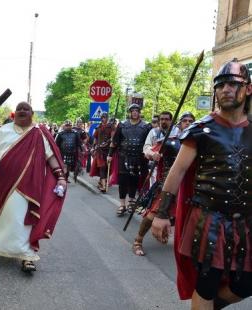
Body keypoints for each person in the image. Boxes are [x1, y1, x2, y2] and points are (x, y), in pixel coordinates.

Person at [151, 59, 252, 309]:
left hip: (246, 223)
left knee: (246, 282)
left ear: (248, 89)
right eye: (220, 85)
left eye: (232, 84)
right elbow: (177, 171)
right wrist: (161, 214)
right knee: (206, 282)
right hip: (209, 220)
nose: (225, 90)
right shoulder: (202, 129)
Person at [0, 102, 67, 272]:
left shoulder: (39, 133)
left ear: (32, 113)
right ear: (15, 113)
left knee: (25, 217)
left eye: (26, 109)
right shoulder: (4, 130)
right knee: (9, 217)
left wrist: (60, 177)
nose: (22, 111)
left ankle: (27, 255)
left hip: (30, 184)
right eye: (19, 108)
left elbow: (50, 157)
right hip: (4, 182)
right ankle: (1, 245)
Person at [132, 111, 180, 256]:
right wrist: (153, 155)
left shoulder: (190, 140)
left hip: (185, 186)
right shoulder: (166, 139)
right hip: (166, 183)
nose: (188, 124)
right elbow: (148, 150)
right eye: (185, 121)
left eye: (190, 121)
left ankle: (170, 237)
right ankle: (138, 241)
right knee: (154, 214)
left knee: (183, 216)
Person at [108, 104, 150, 216]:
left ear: (139, 112)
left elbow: (149, 143)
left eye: (137, 111)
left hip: (138, 158)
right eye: (133, 111)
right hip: (124, 157)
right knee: (122, 181)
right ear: (130, 113)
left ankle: (131, 202)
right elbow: (115, 141)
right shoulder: (122, 125)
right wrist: (110, 154)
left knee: (134, 180)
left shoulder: (146, 126)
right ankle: (122, 204)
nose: (135, 113)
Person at [89, 113, 113, 193]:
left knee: (106, 167)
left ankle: (102, 181)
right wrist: (93, 147)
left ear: (107, 118)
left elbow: (113, 138)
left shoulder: (111, 127)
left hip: (109, 150)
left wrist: (108, 141)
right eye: (102, 118)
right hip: (100, 151)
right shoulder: (98, 128)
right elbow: (95, 138)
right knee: (102, 167)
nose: (103, 119)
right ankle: (103, 185)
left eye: (105, 117)